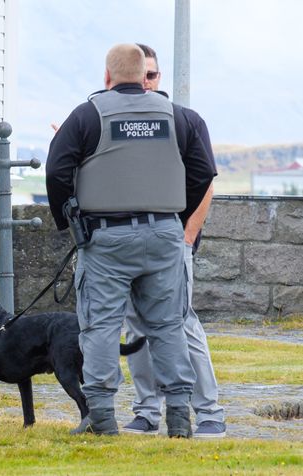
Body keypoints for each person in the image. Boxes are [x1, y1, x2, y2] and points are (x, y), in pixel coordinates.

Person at [46, 44, 216, 437]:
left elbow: (57, 169)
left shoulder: (88, 115)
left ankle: (103, 420)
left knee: (101, 327)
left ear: (107, 77)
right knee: (169, 327)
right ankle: (179, 419)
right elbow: (203, 172)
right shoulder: (181, 118)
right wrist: (173, 214)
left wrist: (69, 219)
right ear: (145, 77)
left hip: (106, 240)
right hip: (164, 237)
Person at [121, 43, 225, 438]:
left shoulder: (185, 121)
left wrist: (187, 235)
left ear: (159, 78)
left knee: (181, 324)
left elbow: (206, 181)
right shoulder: (113, 120)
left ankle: (210, 412)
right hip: (127, 241)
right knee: (136, 327)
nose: (145, 83)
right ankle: (147, 411)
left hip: (172, 241)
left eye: (152, 75)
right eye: (139, 76)